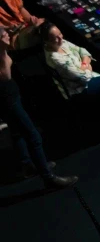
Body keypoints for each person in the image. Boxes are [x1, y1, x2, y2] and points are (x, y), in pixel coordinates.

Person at [0, 27, 77, 188]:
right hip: (7, 100)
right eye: (3, 35)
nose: (7, 36)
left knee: (17, 132)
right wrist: (2, 53)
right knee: (33, 135)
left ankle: (28, 165)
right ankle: (49, 178)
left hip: (11, 96)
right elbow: (5, 76)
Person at [39, 22, 100, 135]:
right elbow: (83, 77)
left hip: (87, 76)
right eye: (55, 38)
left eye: (60, 34)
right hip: (80, 89)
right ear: (46, 41)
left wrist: (84, 64)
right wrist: (88, 67)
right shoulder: (56, 58)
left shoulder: (61, 43)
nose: (60, 38)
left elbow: (83, 51)